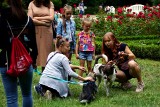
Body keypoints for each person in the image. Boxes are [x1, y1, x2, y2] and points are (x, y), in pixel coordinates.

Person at [0, 0, 38, 106]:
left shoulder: (3, 19)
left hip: (6, 62)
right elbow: (34, 45)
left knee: (11, 98)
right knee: (27, 94)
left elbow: (1, 43)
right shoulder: (27, 20)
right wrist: (33, 61)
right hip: (25, 62)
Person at [28, 0, 54, 72]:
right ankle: (31, 73)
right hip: (35, 32)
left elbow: (51, 18)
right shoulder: (32, 4)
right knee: (34, 54)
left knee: (47, 55)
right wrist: (44, 23)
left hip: (47, 33)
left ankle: (45, 75)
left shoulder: (50, 3)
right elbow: (30, 20)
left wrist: (37, 18)